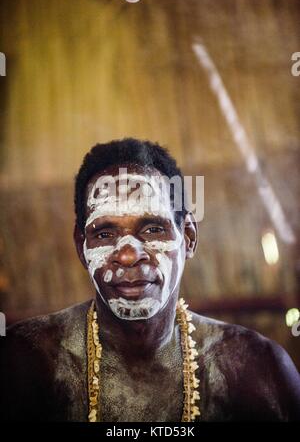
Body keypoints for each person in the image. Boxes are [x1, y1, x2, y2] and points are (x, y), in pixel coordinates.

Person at [0, 138, 300, 422]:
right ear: (82, 247)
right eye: (105, 234)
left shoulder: (257, 370)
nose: (129, 255)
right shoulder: (24, 363)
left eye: (153, 229)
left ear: (188, 237)